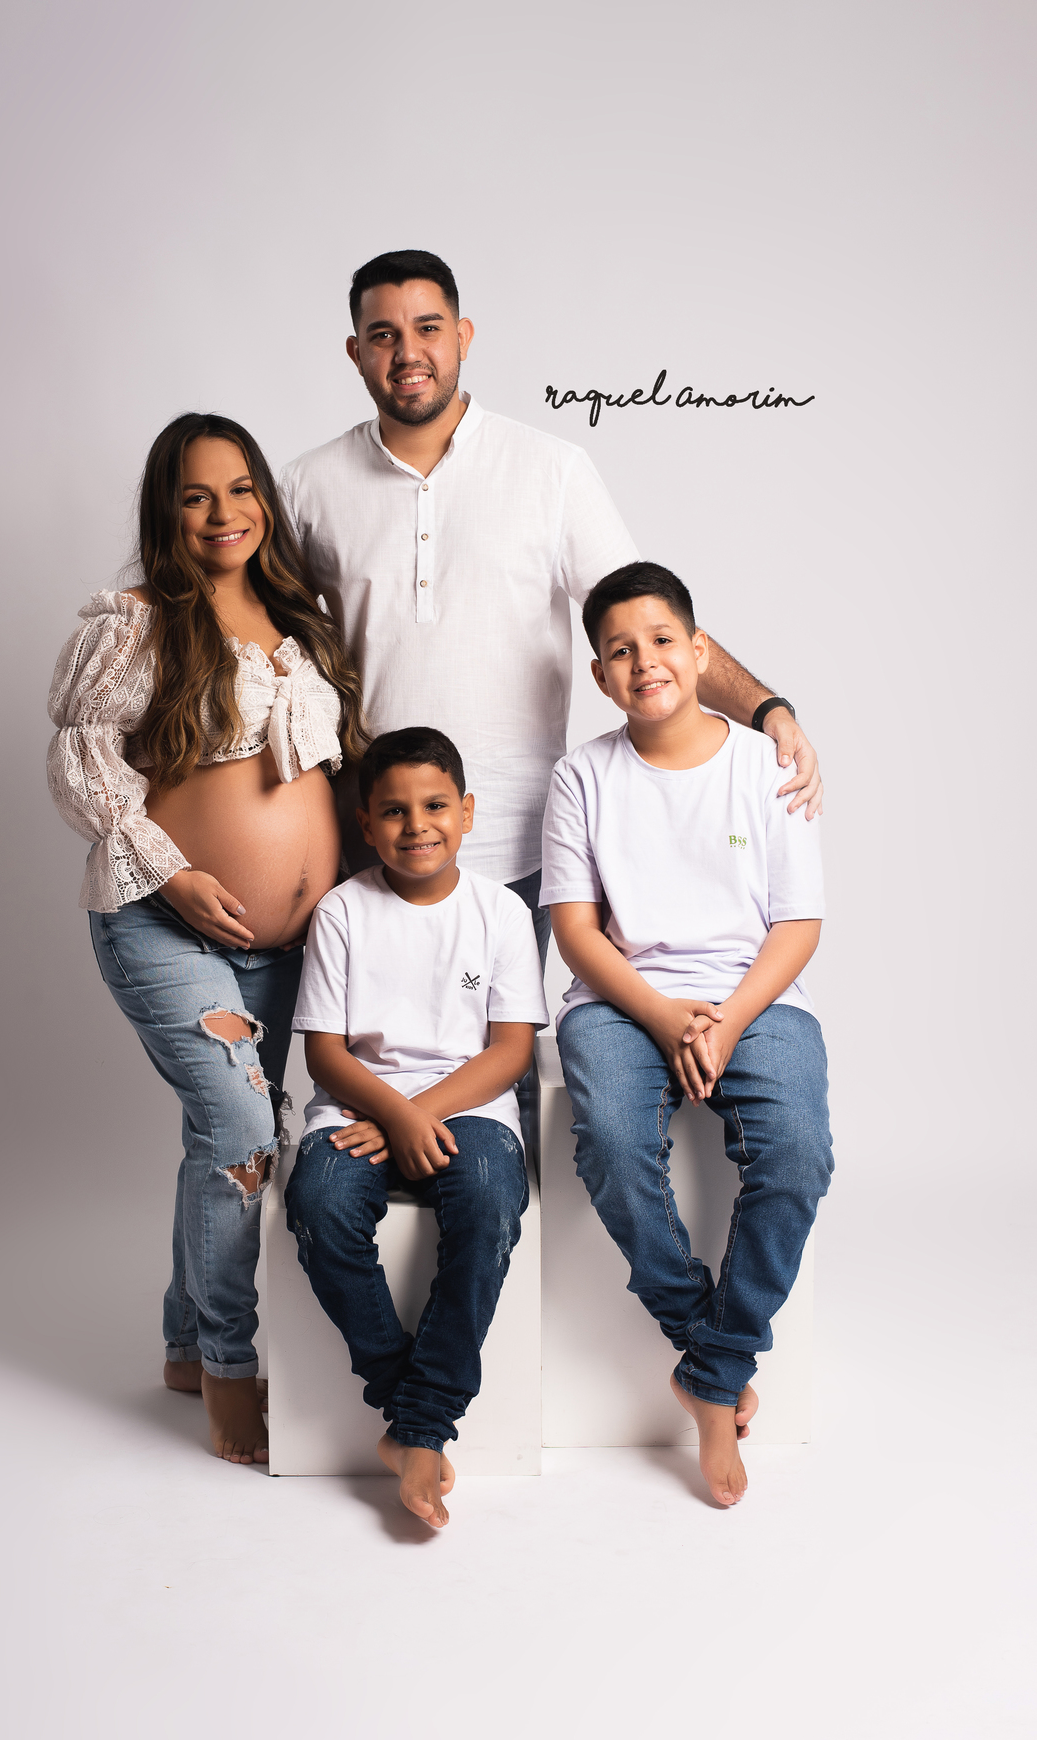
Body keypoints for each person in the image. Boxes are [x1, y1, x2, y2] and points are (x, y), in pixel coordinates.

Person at [280, 248, 824, 968]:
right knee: (372, 1033)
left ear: (463, 337)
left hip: (518, 839)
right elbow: (259, 644)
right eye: (384, 335)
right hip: (367, 839)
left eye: (429, 328)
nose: (408, 353)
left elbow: (649, 625)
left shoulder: (550, 469)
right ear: (356, 352)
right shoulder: (306, 486)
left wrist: (767, 709)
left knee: (505, 1039)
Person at [47, 412, 367, 1467]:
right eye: (195, 496)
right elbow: (84, 762)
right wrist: (175, 875)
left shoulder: (301, 620)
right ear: (166, 512)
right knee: (241, 1129)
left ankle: (185, 1344)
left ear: (264, 500)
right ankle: (232, 1369)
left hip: (288, 947)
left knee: (232, 1134)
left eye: (239, 490)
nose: (222, 513)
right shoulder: (136, 623)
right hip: (163, 923)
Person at [541, 561, 833, 1508]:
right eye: (620, 651)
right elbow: (577, 932)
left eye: (663, 640)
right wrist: (664, 1016)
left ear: (701, 651)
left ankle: (713, 1371)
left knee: (797, 1154)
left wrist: (729, 1018)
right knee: (613, 1146)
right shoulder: (582, 776)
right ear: (599, 675)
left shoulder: (765, 766)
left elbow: (798, 925)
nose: (646, 663)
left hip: (757, 996)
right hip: (620, 999)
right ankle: (708, 1346)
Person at [283, 727, 548, 1528]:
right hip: (359, 1107)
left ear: (467, 812)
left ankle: (419, 1425)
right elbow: (325, 1054)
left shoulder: (501, 912)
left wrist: (417, 1113)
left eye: (435, 806)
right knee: (320, 1206)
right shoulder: (341, 910)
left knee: (490, 1203)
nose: (417, 825)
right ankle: (414, 1412)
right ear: (366, 824)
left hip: (470, 1108)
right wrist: (390, 1113)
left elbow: (510, 1052)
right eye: (394, 811)